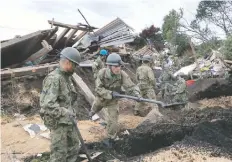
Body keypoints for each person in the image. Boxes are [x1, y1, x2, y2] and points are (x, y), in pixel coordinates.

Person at [40, 47, 81, 162]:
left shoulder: (66, 77)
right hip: (58, 123)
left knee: (73, 148)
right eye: (75, 65)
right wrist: (65, 112)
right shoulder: (54, 78)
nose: (75, 68)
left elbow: (69, 99)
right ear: (68, 63)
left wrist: (71, 113)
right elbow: (47, 105)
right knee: (59, 154)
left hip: (68, 121)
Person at [89, 53, 141, 145]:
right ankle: (90, 116)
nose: (118, 68)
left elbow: (131, 86)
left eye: (120, 66)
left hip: (113, 102)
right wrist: (110, 93)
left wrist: (137, 95)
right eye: (116, 66)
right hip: (101, 99)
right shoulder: (102, 73)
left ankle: (110, 139)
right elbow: (98, 88)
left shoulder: (122, 74)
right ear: (109, 66)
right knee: (94, 110)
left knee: (113, 121)